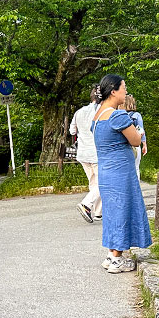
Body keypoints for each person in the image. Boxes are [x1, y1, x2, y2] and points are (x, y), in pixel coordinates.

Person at [90, 74, 152, 273]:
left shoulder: (98, 115)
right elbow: (134, 140)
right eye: (123, 87)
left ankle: (111, 255)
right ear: (113, 90)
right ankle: (117, 259)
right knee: (122, 211)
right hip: (121, 171)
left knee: (112, 212)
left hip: (106, 172)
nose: (125, 91)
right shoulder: (117, 115)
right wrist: (139, 133)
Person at [69, 86, 101, 223]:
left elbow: (72, 131)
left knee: (93, 182)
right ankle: (86, 204)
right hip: (97, 153)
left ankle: (98, 212)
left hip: (82, 153)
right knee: (102, 183)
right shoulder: (101, 111)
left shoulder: (79, 112)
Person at [119, 94, 147, 179]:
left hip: (122, 145)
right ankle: (135, 188)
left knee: (123, 169)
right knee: (135, 168)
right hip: (135, 145)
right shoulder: (136, 115)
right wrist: (144, 144)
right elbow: (141, 130)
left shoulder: (118, 115)